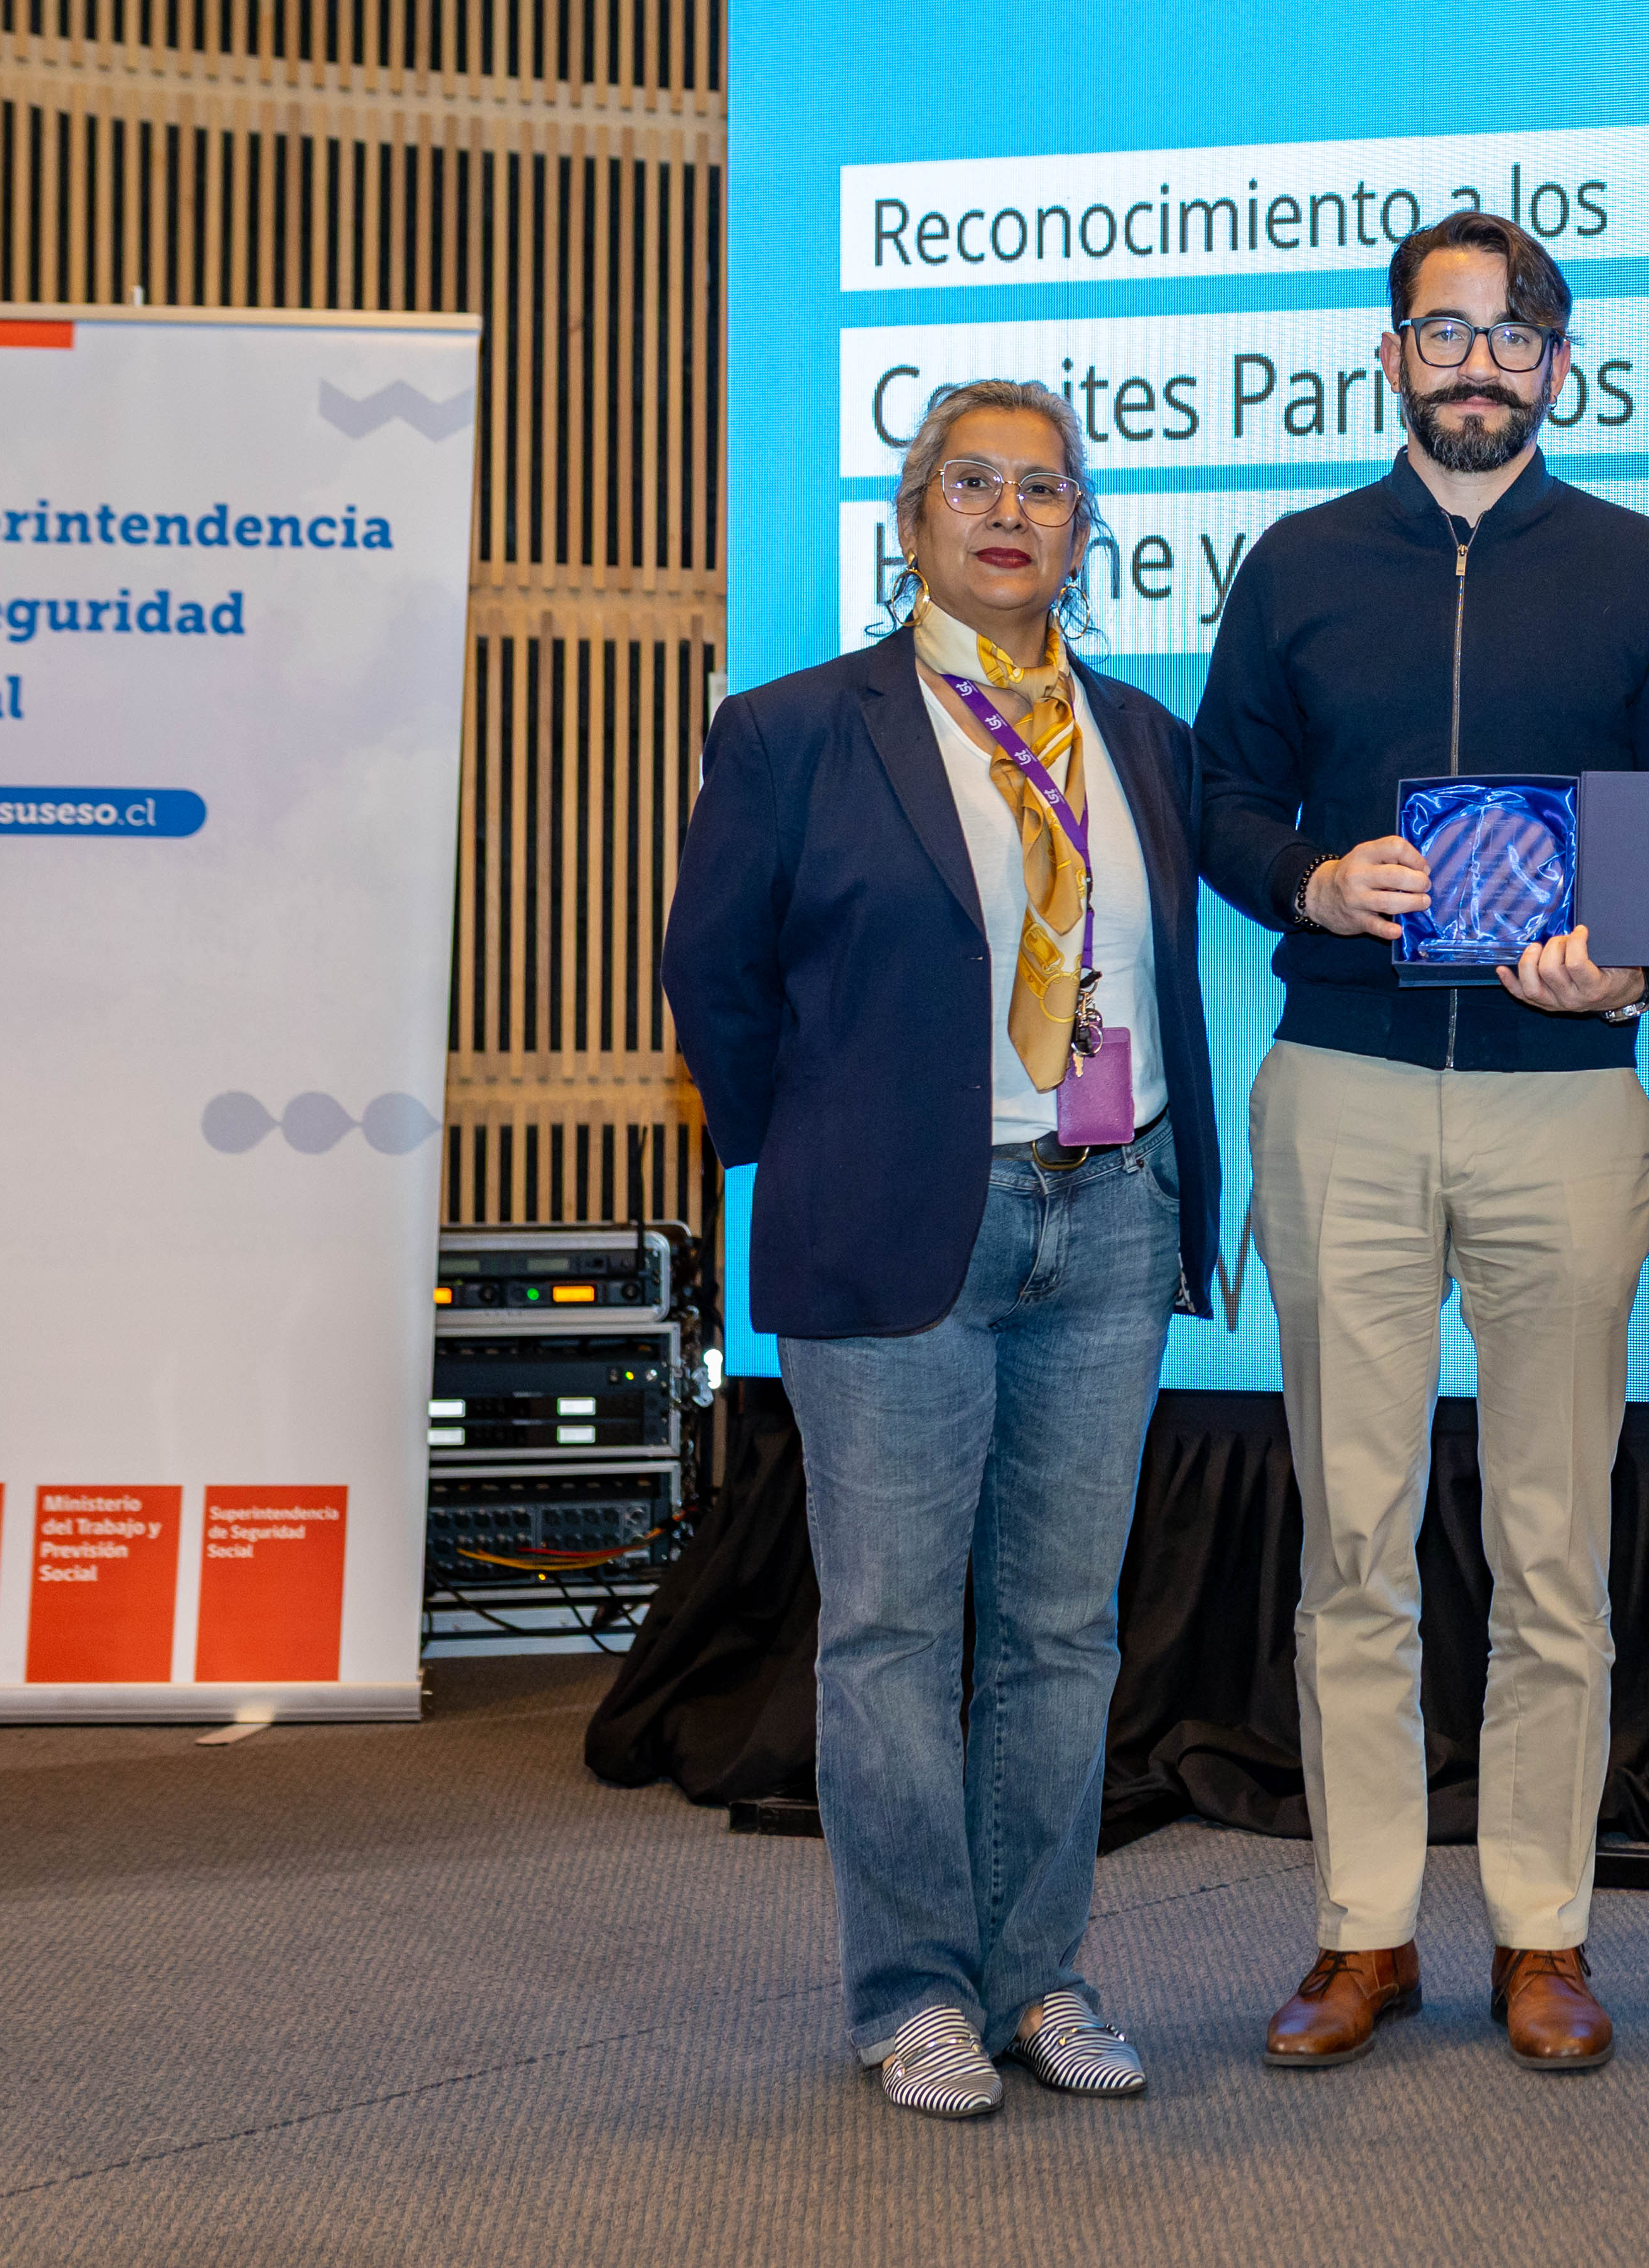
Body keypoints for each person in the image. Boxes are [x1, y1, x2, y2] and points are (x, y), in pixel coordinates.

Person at [1191, 211, 1649, 2076]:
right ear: (1392, 354)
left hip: (1563, 1097)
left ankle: (1539, 1929)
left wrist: (1633, 953)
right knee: (1350, 1537)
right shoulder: (1296, 563)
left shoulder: (1644, 571)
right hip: (1340, 1084)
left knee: (1549, 1544)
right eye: (1446, 331)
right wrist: (1309, 877)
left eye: (1515, 335)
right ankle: (1363, 1930)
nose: (1479, 364)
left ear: (1559, 366)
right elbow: (1220, 798)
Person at [662, 379, 1223, 2118]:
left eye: (1043, 489)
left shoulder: (1142, 736)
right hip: (902, 1220)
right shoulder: (795, 730)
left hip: (1111, 1212)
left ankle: (1036, 1971)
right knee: (895, 1635)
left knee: (1060, 1631)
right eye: (971, 483)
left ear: (1081, 532)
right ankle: (912, 1991)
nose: (1008, 513)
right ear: (911, 521)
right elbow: (714, 976)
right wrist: (822, 1146)